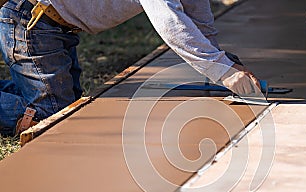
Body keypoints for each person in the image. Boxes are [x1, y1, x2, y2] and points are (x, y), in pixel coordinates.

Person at [0, 0, 261, 136]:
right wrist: (224, 71)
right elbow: (171, 24)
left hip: (53, 27)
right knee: (50, 117)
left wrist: (223, 62)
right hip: (32, 23)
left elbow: (198, 16)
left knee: (67, 106)